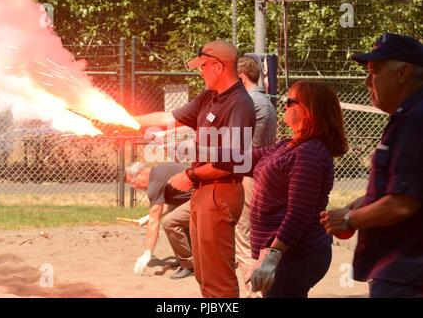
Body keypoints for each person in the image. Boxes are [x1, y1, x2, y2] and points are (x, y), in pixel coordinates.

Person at [136, 39, 256, 297]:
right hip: (203, 191)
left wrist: (190, 175)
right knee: (204, 275)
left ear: (219, 67)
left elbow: (235, 162)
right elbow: (168, 119)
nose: (199, 71)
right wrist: (127, 121)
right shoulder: (208, 97)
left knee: (218, 280)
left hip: (220, 192)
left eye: (203, 66)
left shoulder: (239, 103)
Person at [217, 80, 347, 297]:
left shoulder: (309, 153)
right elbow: (242, 161)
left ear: (309, 110)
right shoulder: (288, 145)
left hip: (296, 255)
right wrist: (194, 150)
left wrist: (273, 255)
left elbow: (299, 213)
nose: (283, 105)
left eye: (290, 101)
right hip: (281, 254)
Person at [320, 32, 423, 298]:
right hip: (399, 271)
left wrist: (348, 218)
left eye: (374, 71)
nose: (367, 81)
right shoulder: (406, 117)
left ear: (404, 73)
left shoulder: (416, 120)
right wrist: (365, 200)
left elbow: (404, 203)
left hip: (406, 273)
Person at [236, 56, 277, 297]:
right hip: (262, 175)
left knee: (244, 238)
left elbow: (238, 148)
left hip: (248, 177)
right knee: (256, 237)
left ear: (241, 78)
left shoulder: (250, 103)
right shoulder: (264, 101)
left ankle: (253, 294)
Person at [125, 162, 194, 279]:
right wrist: (149, 216)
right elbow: (168, 203)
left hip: (203, 195)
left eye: (133, 183)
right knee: (176, 216)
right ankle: (186, 257)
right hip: (195, 195)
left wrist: (147, 253)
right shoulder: (158, 173)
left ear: (139, 174)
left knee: (170, 222)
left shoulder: (154, 183)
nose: (135, 187)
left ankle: (189, 265)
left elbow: (154, 222)